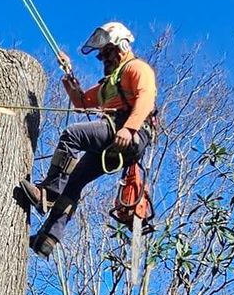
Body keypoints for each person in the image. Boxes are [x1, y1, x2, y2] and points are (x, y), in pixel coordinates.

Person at [20, 21, 157, 258]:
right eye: (101, 56)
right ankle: (47, 240)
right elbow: (81, 103)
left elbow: (146, 99)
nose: (104, 59)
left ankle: (49, 193)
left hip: (128, 131)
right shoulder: (108, 85)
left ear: (122, 47)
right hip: (115, 137)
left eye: (107, 53)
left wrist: (129, 129)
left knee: (73, 135)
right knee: (74, 180)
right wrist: (68, 76)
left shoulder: (136, 69)